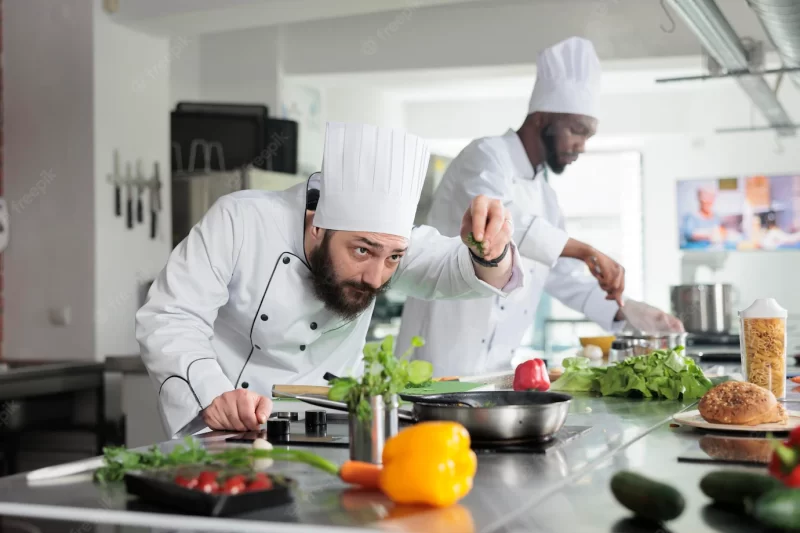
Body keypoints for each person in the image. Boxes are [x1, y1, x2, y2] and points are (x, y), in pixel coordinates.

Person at [136, 121, 526, 438]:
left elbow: (460, 271)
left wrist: (489, 249)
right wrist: (212, 393)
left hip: (336, 430)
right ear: (319, 225)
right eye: (361, 251)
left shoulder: (386, 242)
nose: (376, 276)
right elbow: (171, 317)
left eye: (393, 258)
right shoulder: (242, 221)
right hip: (230, 430)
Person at [397, 37, 683, 377]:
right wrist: (586, 249)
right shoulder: (486, 155)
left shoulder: (546, 197)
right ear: (542, 118)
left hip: (494, 368)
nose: (581, 146)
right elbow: (495, 221)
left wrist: (627, 311)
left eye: (588, 136)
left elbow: (564, 277)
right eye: (577, 131)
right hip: (435, 356)